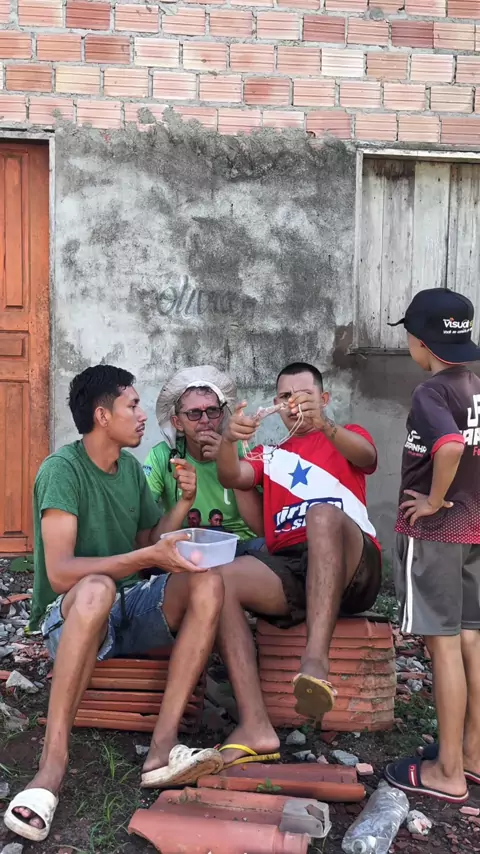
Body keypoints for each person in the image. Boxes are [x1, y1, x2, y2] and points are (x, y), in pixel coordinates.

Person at [5, 366, 224, 844]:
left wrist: (183, 503)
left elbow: (148, 541)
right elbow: (61, 572)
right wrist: (146, 558)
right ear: (102, 416)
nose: (143, 415)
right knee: (96, 588)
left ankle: (162, 748)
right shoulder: (62, 470)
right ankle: (51, 766)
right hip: (71, 614)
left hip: (124, 607)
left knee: (206, 581)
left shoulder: (129, 470)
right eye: (133, 405)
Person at [212, 362, 382, 767]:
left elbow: (369, 456)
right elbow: (232, 475)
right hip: (292, 566)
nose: (294, 404)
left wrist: (325, 425)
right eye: (285, 397)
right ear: (275, 405)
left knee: (320, 514)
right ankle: (255, 724)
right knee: (217, 581)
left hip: (354, 563)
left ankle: (315, 663)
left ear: (323, 399)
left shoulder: (346, 434)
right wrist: (228, 439)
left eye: (304, 395)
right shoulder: (270, 456)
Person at [383, 289, 480, 805]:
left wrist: (434, 501)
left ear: (420, 341)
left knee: (442, 646)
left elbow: (449, 446)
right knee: (469, 641)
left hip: (438, 536)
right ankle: (472, 754)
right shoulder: (475, 386)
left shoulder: (431, 392)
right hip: (474, 531)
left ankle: (447, 771)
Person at [143, 366, 264, 554]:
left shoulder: (242, 449)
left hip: (240, 546)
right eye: (194, 413)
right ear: (177, 423)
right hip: (184, 548)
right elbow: (150, 542)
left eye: (212, 411)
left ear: (221, 415)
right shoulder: (163, 456)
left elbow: (262, 528)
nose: (205, 420)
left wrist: (228, 461)